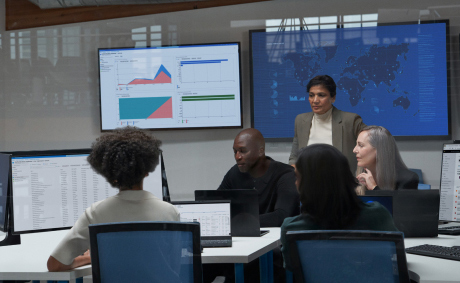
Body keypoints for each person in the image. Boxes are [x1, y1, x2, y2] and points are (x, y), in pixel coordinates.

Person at [47, 126, 179, 271]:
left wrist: (88, 258)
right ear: (147, 172)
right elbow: (174, 262)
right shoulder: (169, 212)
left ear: (110, 174)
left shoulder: (95, 213)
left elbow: (55, 264)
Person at [281, 144, 398, 271]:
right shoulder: (377, 215)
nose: (295, 183)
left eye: (297, 177)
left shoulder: (292, 228)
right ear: (346, 177)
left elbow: (292, 267)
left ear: (307, 185)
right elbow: (395, 254)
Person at [218, 128, 300, 227]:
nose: (237, 157)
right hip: (244, 235)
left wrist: (239, 221)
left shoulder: (285, 175)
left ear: (260, 151)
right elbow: (216, 203)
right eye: (235, 152)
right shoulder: (235, 172)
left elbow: (282, 216)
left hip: (277, 239)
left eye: (243, 151)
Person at [289, 75, 366, 174]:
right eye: (311, 95)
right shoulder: (300, 120)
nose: (315, 100)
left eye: (321, 95)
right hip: (307, 183)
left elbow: (374, 145)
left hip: (341, 183)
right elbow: (294, 156)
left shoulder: (350, 120)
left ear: (333, 98)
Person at [353, 125, 419, 195]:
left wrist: (374, 188)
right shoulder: (359, 177)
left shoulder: (408, 179)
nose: (354, 150)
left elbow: (396, 205)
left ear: (379, 149)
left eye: (361, 145)